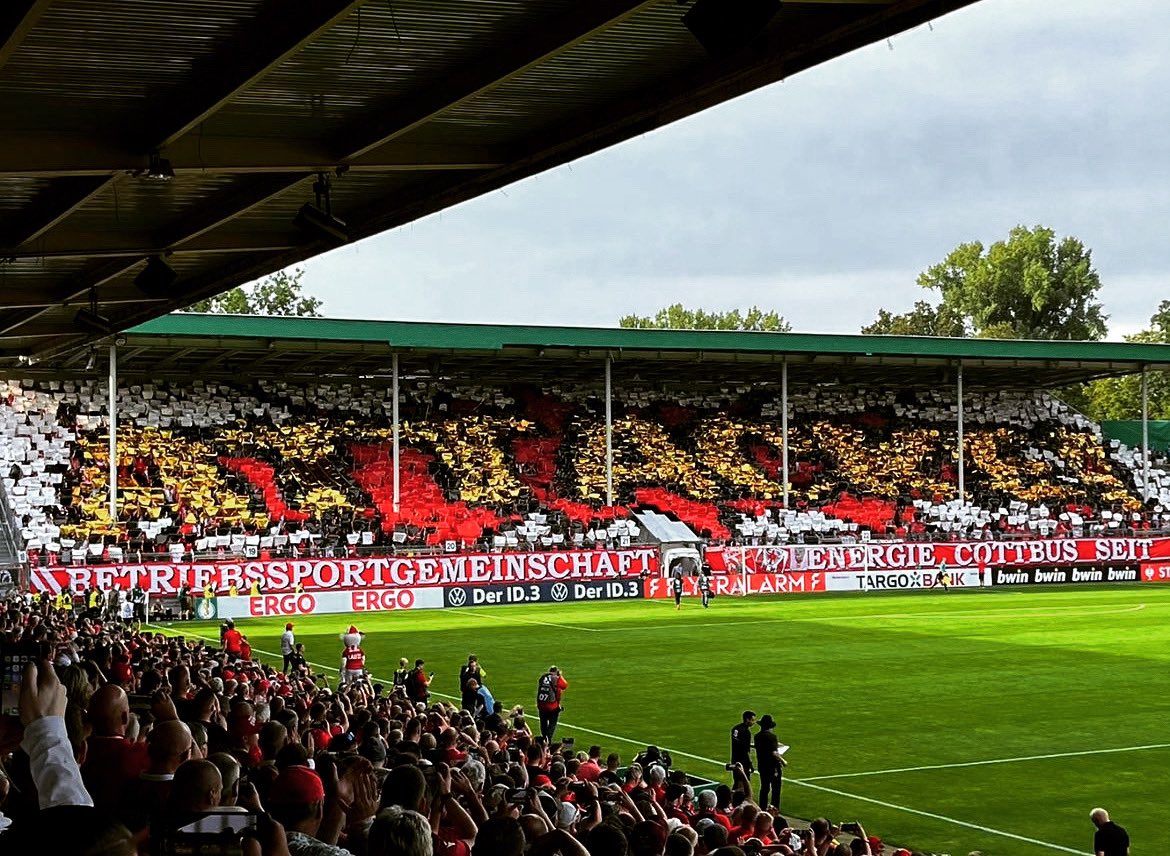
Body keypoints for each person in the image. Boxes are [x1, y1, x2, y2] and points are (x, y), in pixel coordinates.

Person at [754, 714, 786, 810]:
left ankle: (762, 807)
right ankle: (774, 808)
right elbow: (774, 753)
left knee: (764, 787)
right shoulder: (772, 737)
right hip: (773, 767)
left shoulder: (757, 736)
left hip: (762, 766)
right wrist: (783, 761)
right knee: (776, 789)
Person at [536, 665, 568, 740]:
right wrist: (560, 676)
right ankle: (548, 739)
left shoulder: (543, 677)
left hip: (541, 703)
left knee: (543, 722)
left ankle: (544, 737)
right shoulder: (556, 678)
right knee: (552, 724)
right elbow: (565, 685)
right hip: (552, 706)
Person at [730, 710, 756, 775]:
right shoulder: (746, 732)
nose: (754, 722)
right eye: (752, 720)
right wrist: (750, 764)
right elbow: (745, 750)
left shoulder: (735, 728)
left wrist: (754, 745)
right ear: (747, 720)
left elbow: (740, 743)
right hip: (743, 762)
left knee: (736, 780)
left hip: (734, 759)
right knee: (745, 782)